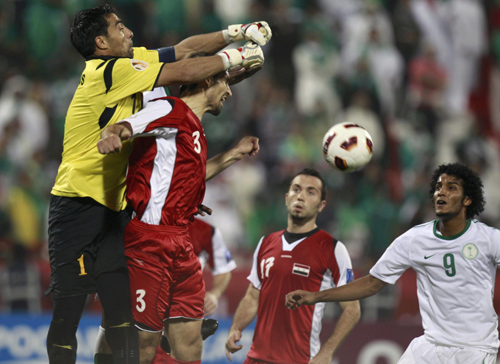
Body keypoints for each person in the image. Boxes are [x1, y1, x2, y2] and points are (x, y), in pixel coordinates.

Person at [47, 3, 270, 364]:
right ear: (101, 42)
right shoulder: (113, 72)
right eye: (120, 28)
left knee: (130, 326)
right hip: (78, 202)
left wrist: (235, 31)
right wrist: (234, 56)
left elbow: (183, 51)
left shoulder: (151, 82)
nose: (130, 32)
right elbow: (182, 70)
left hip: (122, 210)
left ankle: (160, 337)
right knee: (71, 310)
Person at [97, 67, 259, 364]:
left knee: (189, 343)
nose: (229, 91)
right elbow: (125, 126)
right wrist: (112, 134)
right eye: (225, 82)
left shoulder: (193, 128)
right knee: (143, 344)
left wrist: (235, 153)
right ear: (207, 79)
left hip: (181, 244)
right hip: (149, 241)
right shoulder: (170, 109)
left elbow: (191, 176)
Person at [287, 163, 499, 364]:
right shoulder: (414, 239)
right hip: (431, 345)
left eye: (451, 188)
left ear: (467, 200)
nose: (440, 193)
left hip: (475, 348)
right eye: (437, 187)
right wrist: (316, 296)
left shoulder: (488, 239)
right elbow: (371, 283)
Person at [225, 168, 361, 364]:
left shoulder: (332, 249)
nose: (301, 196)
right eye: (296, 189)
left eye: (310, 192)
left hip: (299, 360)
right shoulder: (266, 243)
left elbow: (352, 309)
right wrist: (236, 328)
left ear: (321, 205)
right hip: (256, 358)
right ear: (286, 197)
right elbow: (252, 296)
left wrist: (326, 352)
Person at [150, 217, 237, 363]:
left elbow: (224, 269)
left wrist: (215, 294)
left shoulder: (207, 232)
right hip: (151, 296)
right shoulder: (148, 223)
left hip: (183, 301)